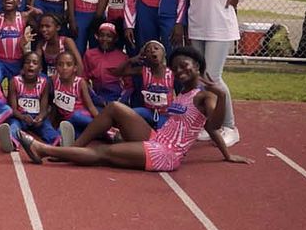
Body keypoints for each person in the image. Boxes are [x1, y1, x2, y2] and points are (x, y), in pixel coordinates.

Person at [16, 47, 253, 171]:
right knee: (115, 108)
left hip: (165, 154)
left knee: (104, 156)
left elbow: (213, 126)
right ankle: (75, 149)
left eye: (185, 67)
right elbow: (202, 127)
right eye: (176, 68)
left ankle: (44, 149)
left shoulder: (206, 96)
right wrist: (227, 155)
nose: (180, 71)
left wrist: (221, 96)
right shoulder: (183, 93)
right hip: (157, 138)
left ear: (198, 66)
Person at [186, 0, 269, 148]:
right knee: (201, 79)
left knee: (213, 77)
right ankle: (209, 125)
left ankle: (230, 126)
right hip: (197, 25)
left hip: (220, 26)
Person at [0, 51, 58, 153]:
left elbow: (44, 108)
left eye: (35, 63)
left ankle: (58, 140)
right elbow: (12, 109)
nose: (31, 65)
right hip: (20, 117)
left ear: (40, 69)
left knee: (47, 128)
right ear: (22, 67)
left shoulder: (44, 83)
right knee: (14, 127)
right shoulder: (14, 82)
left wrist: (40, 117)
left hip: (36, 119)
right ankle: (10, 141)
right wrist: (23, 117)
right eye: (27, 62)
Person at [48, 50, 97, 143]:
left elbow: (90, 107)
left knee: (76, 116)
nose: (64, 68)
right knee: (59, 133)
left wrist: (102, 122)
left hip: (82, 117)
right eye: (60, 64)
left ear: (75, 68)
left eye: (68, 64)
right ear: (56, 67)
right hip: (68, 122)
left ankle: (109, 132)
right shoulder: (54, 81)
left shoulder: (80, 82)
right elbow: (54, 105)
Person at [82, 22, 132, 111]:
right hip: (96, 98)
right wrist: (95, 98)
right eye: (101, 35)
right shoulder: (89, 54)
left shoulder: (123, 57)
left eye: (109, 36)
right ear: (97, 36)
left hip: (116, 99)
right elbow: (84, 79)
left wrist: (119, 101)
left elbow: (129, 85)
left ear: (115, 39)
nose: (104, 39)